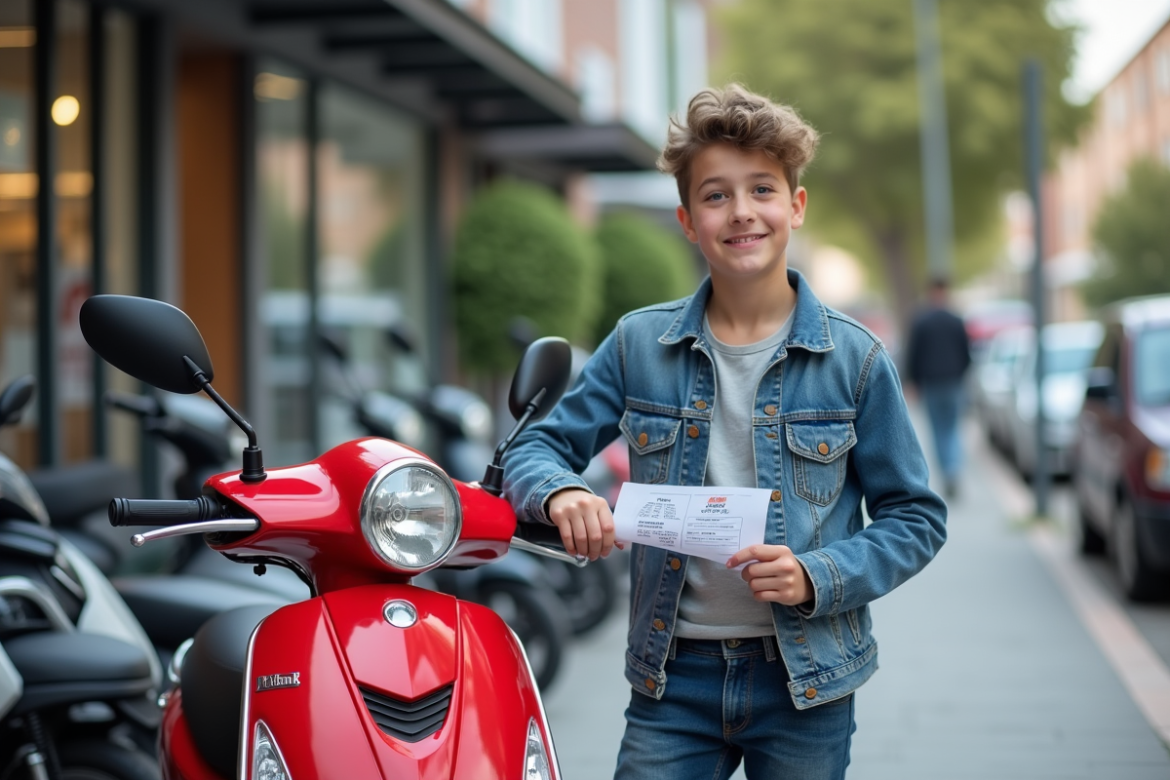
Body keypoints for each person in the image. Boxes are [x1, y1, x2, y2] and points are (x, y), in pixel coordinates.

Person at [501, 84, 947, 780]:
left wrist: (815, 574)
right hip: (671, 679)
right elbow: (535, 445)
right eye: (715, 195)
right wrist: (560, 493)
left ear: (795, 207)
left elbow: (916, 517)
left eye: (762, 189)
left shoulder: (856, 359)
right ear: (687, 220)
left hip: (808, 682)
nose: (741, 212)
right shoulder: (637, 342)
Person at [904, 278, 972, 498]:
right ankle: (953, 469)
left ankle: (946, 471)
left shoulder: (921, 321)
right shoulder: (956, 320)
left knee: (938, 431)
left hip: (931, 384)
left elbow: (913, 355)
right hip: (953, 382)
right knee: (952, 429)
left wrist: (913, 381)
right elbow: (967, 354)